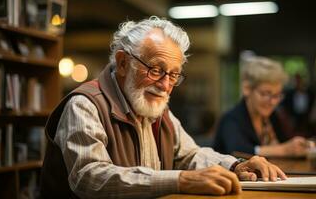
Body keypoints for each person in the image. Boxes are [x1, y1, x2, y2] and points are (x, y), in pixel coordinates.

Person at [40, 16, 286, 198]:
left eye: (174, 75)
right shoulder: (84, 105)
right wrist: (181, 180)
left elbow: (190, 155)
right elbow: (90, 177)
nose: (165, 85)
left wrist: (235, 165)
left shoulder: (156, 108)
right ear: (123, 63)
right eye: (156, 70)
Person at [213, 57, 315, 157]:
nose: (273, 102)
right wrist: (284, 149)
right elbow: (238, 150)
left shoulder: (270, 116)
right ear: (247, 89)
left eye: (277, 95)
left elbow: (284, 141)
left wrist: (299, 145)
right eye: (265, 94)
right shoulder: (231, 119)